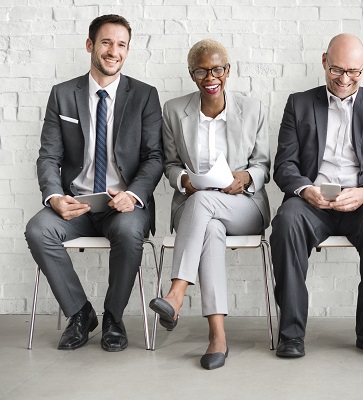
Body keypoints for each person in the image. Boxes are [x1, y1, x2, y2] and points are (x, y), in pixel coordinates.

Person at [24, 14, 163, 352]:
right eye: (106, 42)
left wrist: (133, 195)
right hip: (78, 204)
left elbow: (154, 157)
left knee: (130, 233)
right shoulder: (63, 95)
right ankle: (80, 313)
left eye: (121, 45)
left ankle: (113, 317)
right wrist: (54, 196)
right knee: (38, 230)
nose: (113, 51)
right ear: (90, 45)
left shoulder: (144, 95)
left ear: (127, 51)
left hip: (122, 206)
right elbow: (48, 157)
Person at [270, 34, 363, 359]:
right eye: (336, 70)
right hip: (312, 198)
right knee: (286, 223)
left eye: (353, 72)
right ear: (324, 61)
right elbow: (284, 165)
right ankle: (291, 334)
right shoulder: (299, 103)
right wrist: (305, 189)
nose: (344, 79)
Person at [147, 39, 270, 370]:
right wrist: (182, 180)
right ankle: (218, 336)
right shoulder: (175, 111)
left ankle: (175, 294)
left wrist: (243, 177)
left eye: (217, 69)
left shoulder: (253, 108)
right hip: (198, 209)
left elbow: (263, 166)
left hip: (243, 205)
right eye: (201, 70)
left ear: (227, 71)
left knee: (204, 205)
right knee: (210, 229)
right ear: (192, 74)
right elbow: (170, 163)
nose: (210, 76)